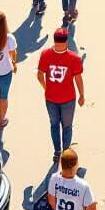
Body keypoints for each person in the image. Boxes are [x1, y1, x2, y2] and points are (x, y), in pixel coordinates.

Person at [38, 28, 85, 164]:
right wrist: (82, 95)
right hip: (68, 99)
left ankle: (57, 151)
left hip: (50, 98)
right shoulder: (74, 58)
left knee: (54, 125)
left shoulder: (45, 54)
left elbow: (40, 74)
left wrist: (46, 88)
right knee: (67, 126)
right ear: (66, 42)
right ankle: (65, 152)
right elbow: (78, 78)